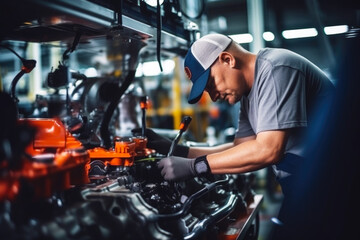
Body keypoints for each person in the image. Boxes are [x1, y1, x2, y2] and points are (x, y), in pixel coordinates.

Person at [137, 33, 335, 231]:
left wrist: (193, 167)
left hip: (333, 184)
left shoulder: (276, 68)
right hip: (304, 185)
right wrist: (180, 151)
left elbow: (268, 150)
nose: (213, 97)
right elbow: (240, 149)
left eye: (211, 85)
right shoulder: (248, 95)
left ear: (227, 59)